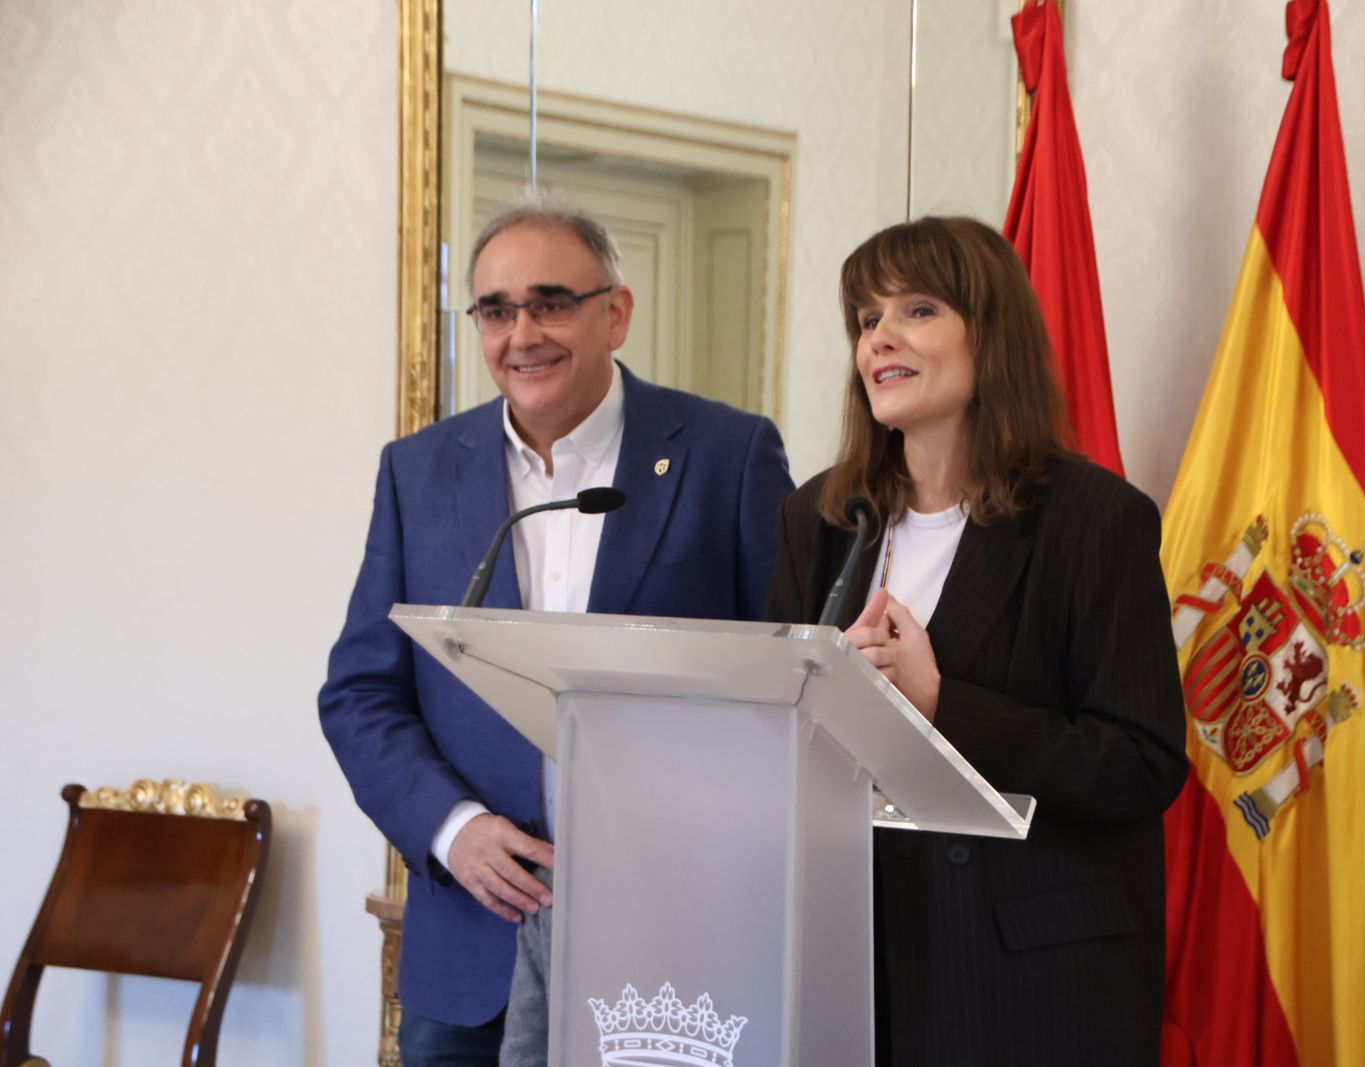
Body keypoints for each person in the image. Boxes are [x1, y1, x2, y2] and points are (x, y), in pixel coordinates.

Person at [320, 196, 792, 1066]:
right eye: (496, 310)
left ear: (615, 312)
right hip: (474, 939)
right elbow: (360, 694)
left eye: (550, 302)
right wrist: (452, 827)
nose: (522, 332)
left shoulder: (728, 455)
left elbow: (785, 688)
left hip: (671, 937)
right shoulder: (418, 472)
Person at [765, 216, 1188, 1066]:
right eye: (865, 318)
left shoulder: (1094, 521)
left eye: (917, 309)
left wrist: (938, 705)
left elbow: (1140, 764)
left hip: (1024, 981)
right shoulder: (816, 518)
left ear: (989, 336)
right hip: (852, 957)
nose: (880, 336)